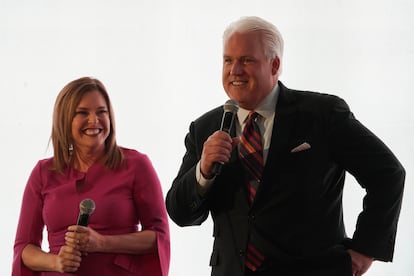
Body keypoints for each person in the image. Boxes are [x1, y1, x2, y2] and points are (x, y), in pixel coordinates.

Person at [166, 16, 405, 276]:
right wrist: (203, 171)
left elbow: (387, 174)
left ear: (275, 64)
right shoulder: (204, 128)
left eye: (246, 59)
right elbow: (180, 213)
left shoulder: (322, 115)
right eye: (228, 60)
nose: (235, 70)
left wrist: (365, 249)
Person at [13, 77, 170, 276]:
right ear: (65, 119)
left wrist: (102, 242)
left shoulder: (136, 164)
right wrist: (56, 262)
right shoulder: (43, 173)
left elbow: (158, 236)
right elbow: (24, 248)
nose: (94, 120)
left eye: (101, 112)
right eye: (82, 113)